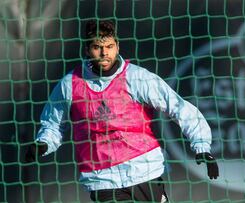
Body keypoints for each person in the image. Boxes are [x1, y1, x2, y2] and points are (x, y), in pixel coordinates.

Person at [25, 19, 219, 202]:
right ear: (87, 49)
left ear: (117, 47)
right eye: (97, 47)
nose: (104, 53)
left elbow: (179, 107)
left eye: (109, 47)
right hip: (102, 178)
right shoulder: (70, 84)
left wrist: (201, 146)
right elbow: (53, 123)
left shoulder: (137, 77)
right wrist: (43, 144)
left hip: (145, 170)